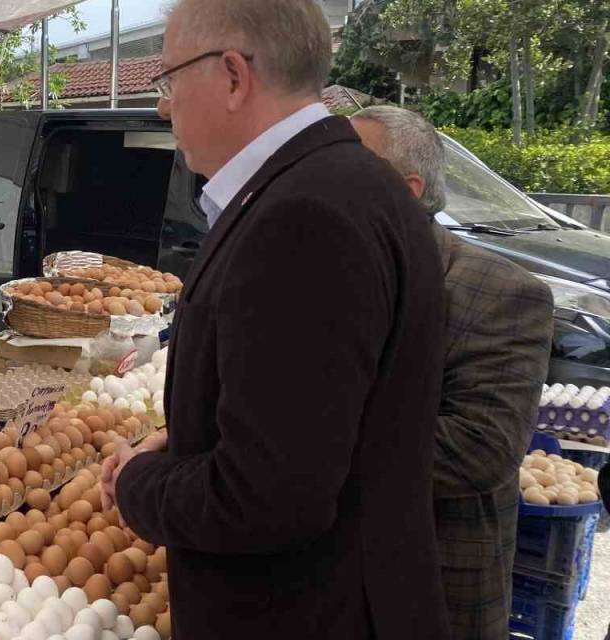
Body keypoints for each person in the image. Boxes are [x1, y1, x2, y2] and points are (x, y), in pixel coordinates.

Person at [101, 1, 451, 638]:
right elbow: (316, 432)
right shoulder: (350, 185)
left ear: (233, 76)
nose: (161, 107)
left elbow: (266, 497)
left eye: (169, 81)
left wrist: (139, 483)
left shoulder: (304, 217)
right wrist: (189, 443)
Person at [350, 105, 554, 640]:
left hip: (440, 583)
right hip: (338, 573)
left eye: (352, 170)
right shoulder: (338, 280)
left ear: (407, 189)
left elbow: (477, 450)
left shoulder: (503, 293)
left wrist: (311, 441)